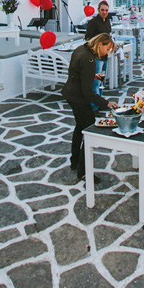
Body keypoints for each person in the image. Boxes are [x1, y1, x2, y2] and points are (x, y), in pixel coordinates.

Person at [61, 33, 118, 180]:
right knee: (90, 132)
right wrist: (106, 103)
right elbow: (88, 92)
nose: (107, 53)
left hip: (70, 93)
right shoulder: (89, 59)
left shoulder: (81, 49)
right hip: (78, 97)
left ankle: (75, 161)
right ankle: (84, 172)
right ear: (99, 44)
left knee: (80, 127)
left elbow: (76, 73)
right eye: (107, 49)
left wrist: (92, 76)